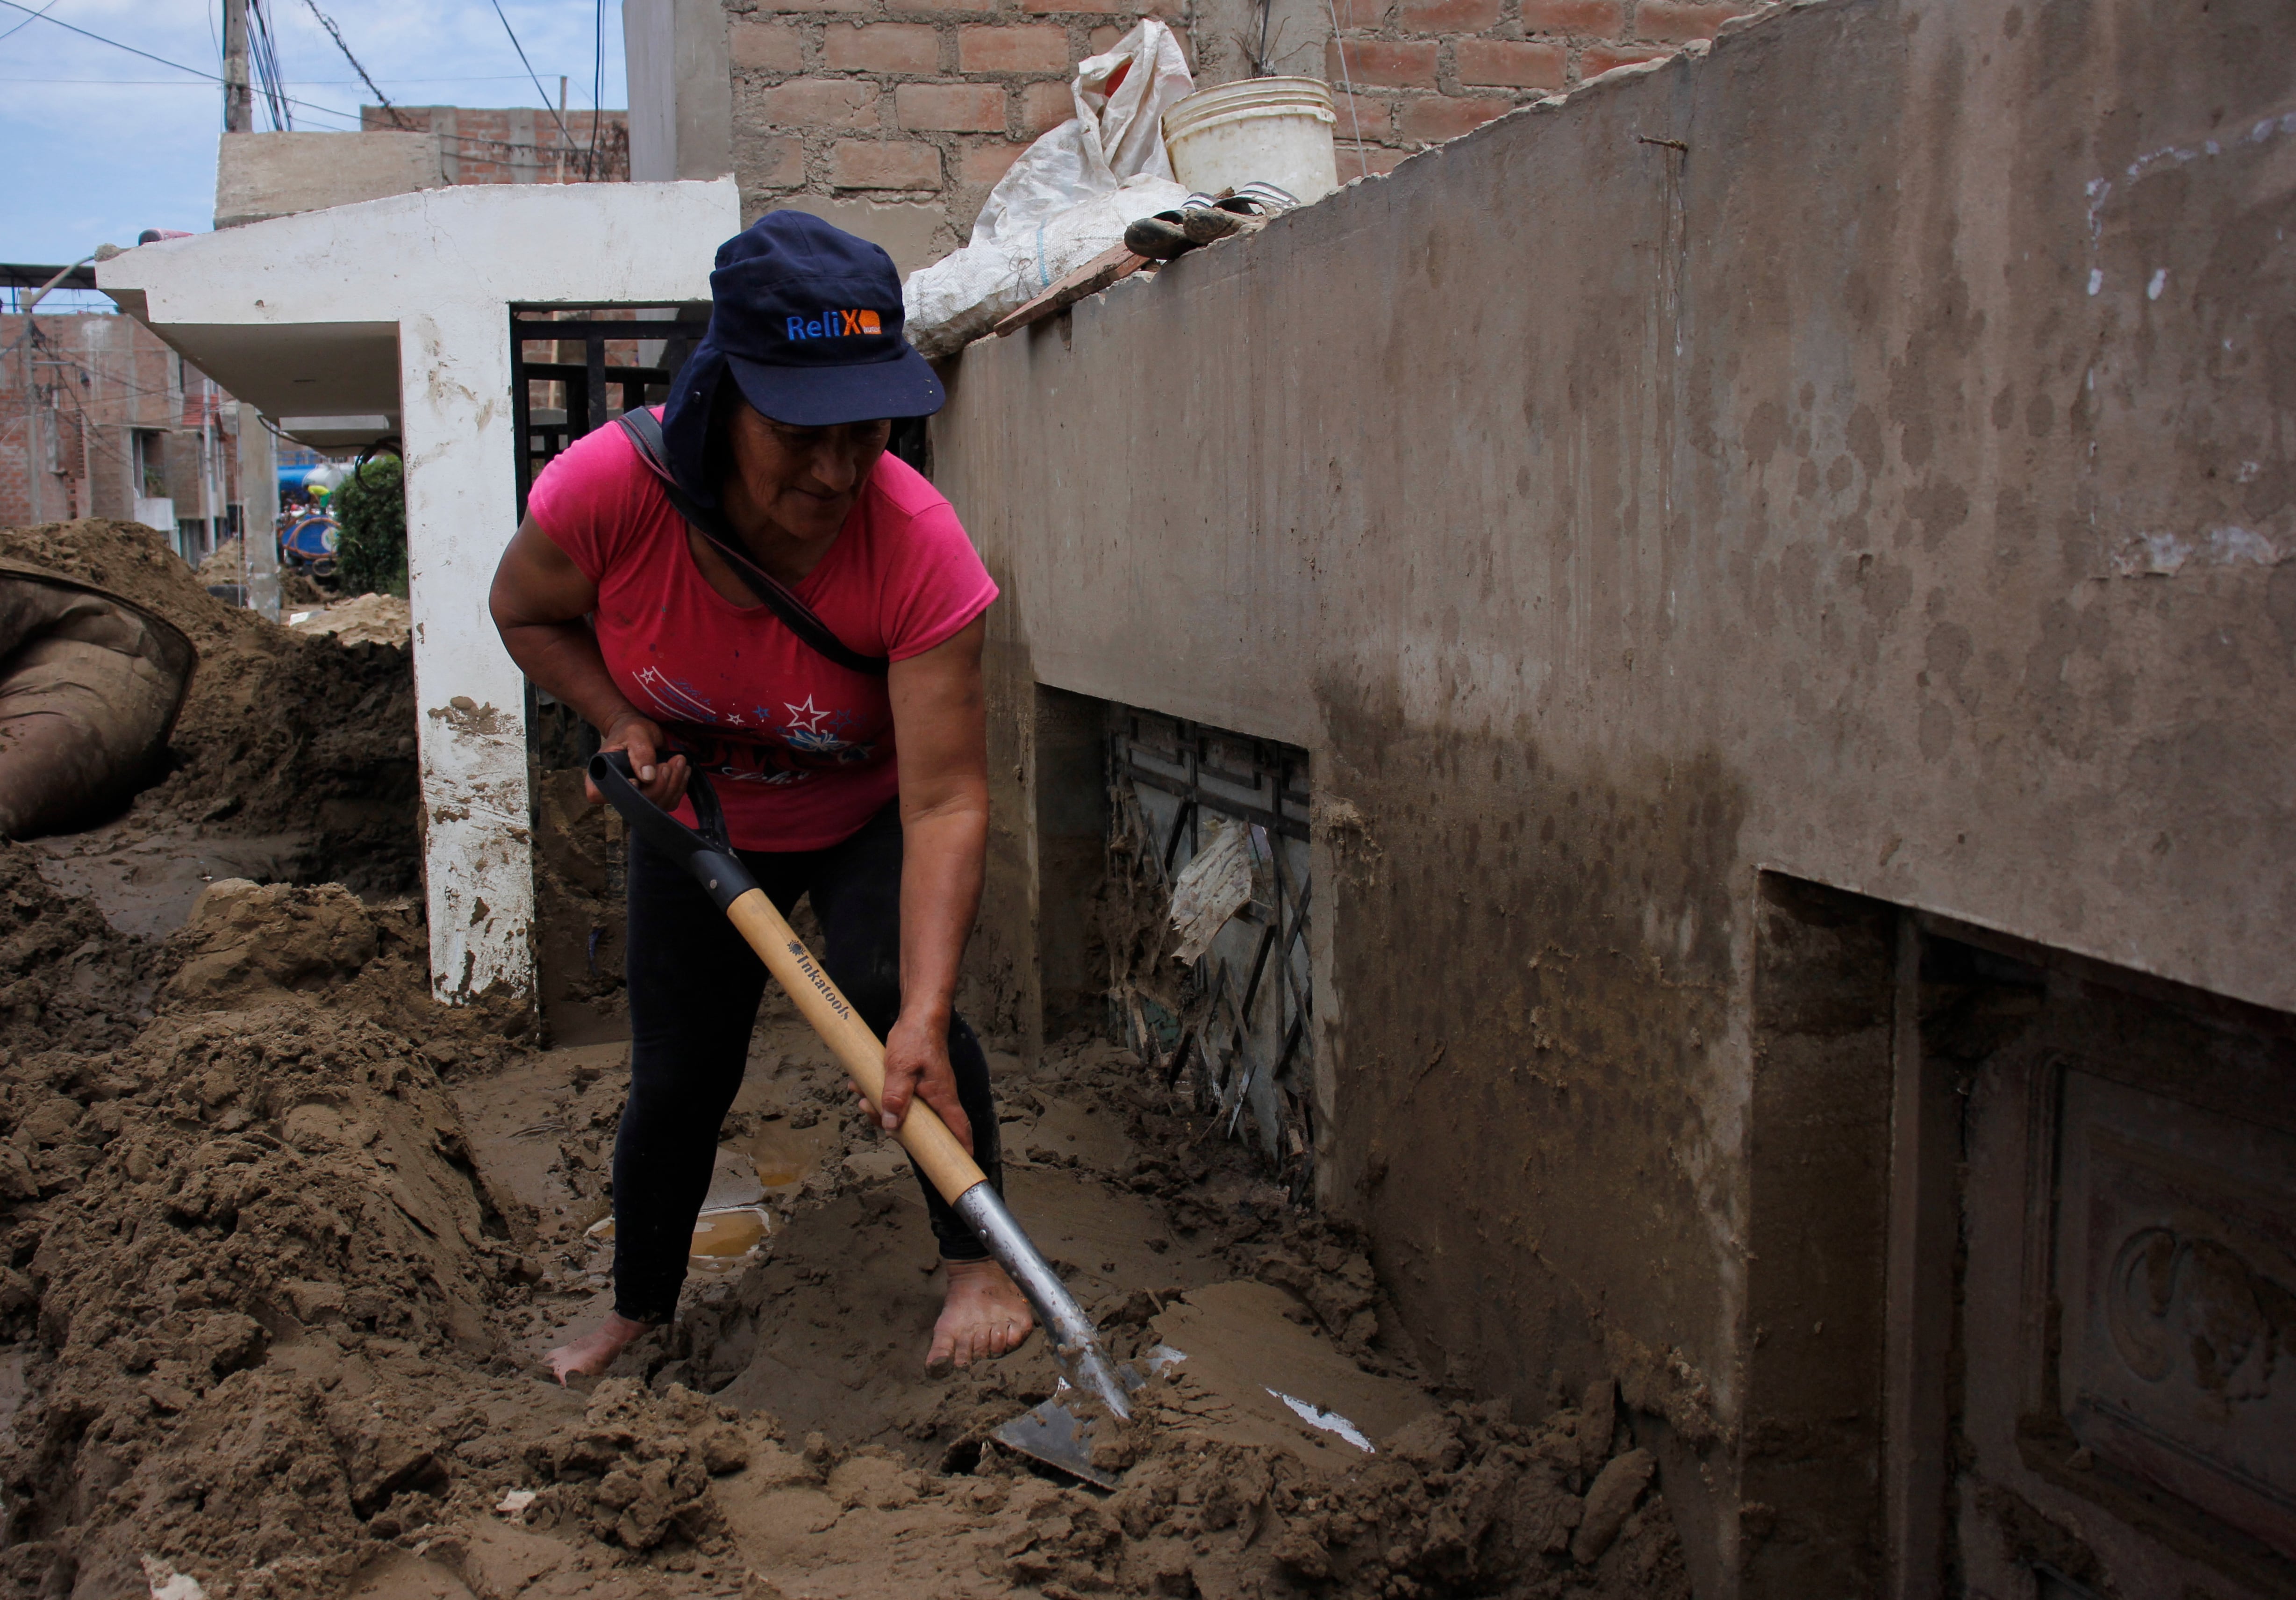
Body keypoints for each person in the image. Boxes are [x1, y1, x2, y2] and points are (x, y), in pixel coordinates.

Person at [488, 212, 1033, 1383]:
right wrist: (621, 717)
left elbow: (945, 803)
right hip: (702, 827)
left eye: (866, 430)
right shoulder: (610, 494)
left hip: (869, 810)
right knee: (680, 1073)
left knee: (903, 1001)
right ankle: (636, 1304)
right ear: (724, 394)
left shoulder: (918, 544)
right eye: (800, 432)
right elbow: (523, 609)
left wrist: (926, 1010)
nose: (838, 472)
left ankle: (979, 1266)